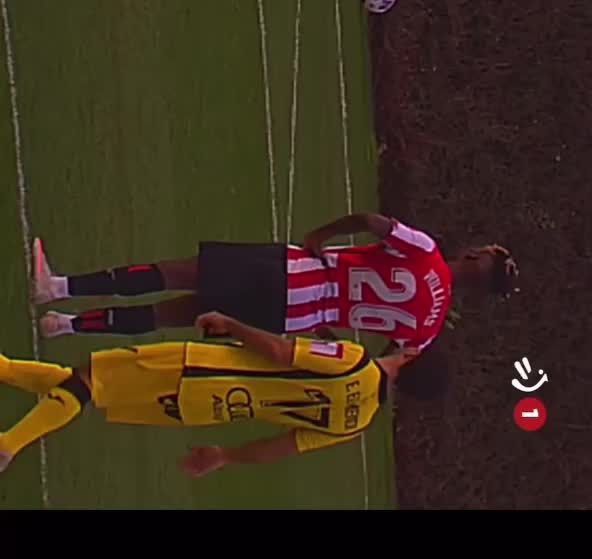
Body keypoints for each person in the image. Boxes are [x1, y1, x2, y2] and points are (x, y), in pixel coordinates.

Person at [0, 312, 424, 477]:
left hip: (204, 369)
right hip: (207, 409)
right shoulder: (355, 424)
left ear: (410, 357)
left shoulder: (355, 361)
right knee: (84, 383)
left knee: (89, 380)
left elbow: (280, 352)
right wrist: (225, 456)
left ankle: (8, 445)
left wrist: (232, 323)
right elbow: (280, 448)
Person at [32, 214, 519, 348]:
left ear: (475, 255)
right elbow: (386, 361)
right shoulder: (427, 329)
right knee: (173, 315)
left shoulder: (426, 251)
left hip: (294, 271)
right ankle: (65, 327)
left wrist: (319, 235)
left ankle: (58, 287)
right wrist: (328, 331)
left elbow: (375, 222)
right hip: (291, 318)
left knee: (176, 273)